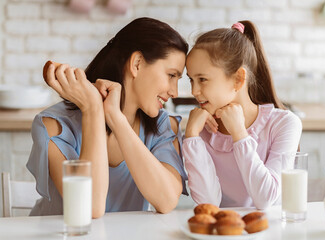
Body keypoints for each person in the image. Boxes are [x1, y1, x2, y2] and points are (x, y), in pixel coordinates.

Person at [26, 17, 189, 218]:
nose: (174, 91)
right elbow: (89, 208)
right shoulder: (54, 126)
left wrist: (116, 118)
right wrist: (93, 109)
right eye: (171, 75)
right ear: (137, 64)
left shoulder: (164, 126)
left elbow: (166, 201)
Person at [182, 20, 302, 209]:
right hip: (224, 232)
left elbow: (266, 199)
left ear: (238, 79)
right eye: (191, 80)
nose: (194, 91)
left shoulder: (284, 124)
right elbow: (209, 204)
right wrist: (191, 138)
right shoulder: (201, 132)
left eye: (202, 79)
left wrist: (239, 135)